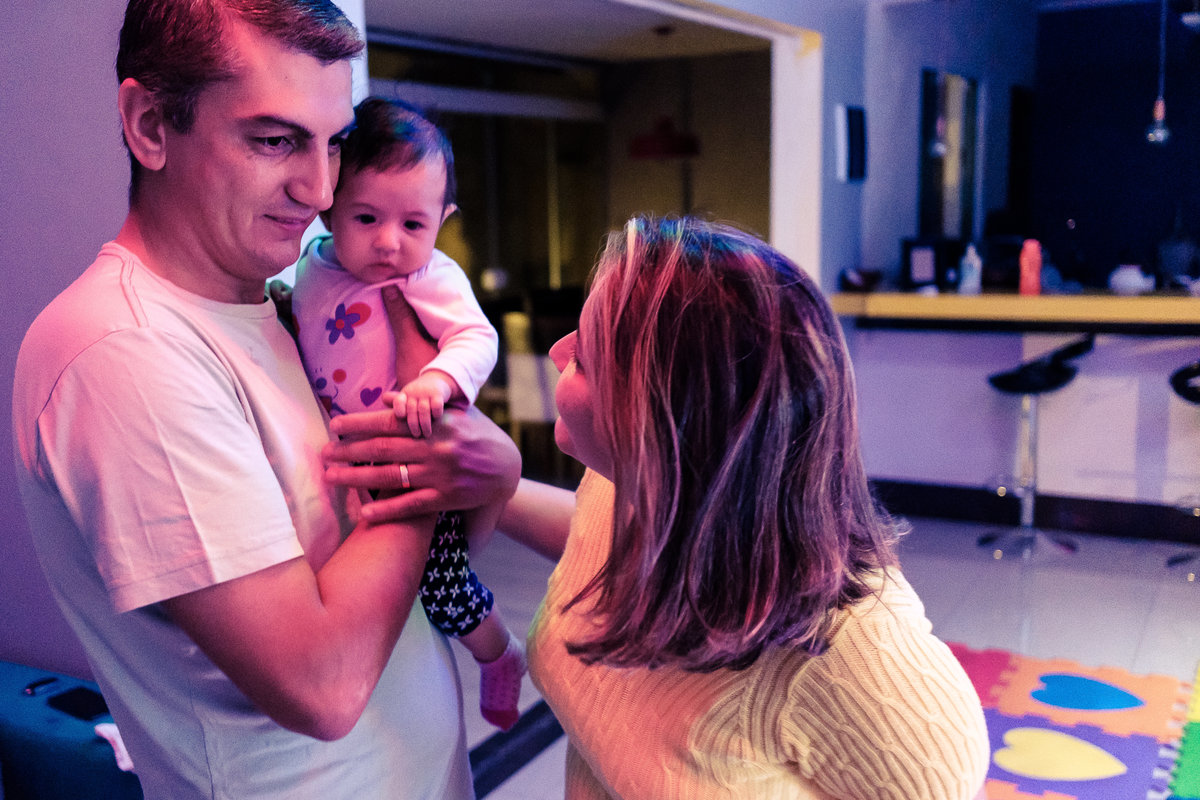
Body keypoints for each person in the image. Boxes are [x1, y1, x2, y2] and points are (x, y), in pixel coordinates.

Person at [11, 1, 520, 798]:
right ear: (150, 125)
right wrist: (423, 456)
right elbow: (324, 683)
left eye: (335, 144)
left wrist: (486, 472)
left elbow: (393, 583)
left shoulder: (288, 305)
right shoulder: (124, 350)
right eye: (276, 139)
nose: (321, 190)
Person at [499, 216, 990, 799]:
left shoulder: (849, 658)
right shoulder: (624, 485)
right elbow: (604, 548)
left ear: (665, 426)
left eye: (584, 355)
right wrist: (487, 488)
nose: (557, 353)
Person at [291, 96, 525, 731]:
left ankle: (500, 654)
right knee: (375, 589)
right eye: (367, 217)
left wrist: (436, 380)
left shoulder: (430, 278)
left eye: (415, 225)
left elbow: (477, 339)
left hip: (420, 455)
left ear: (442, 220)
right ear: (329, 206)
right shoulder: (309, 273)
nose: (391, 243)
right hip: (359, 462)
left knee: (443, 587)